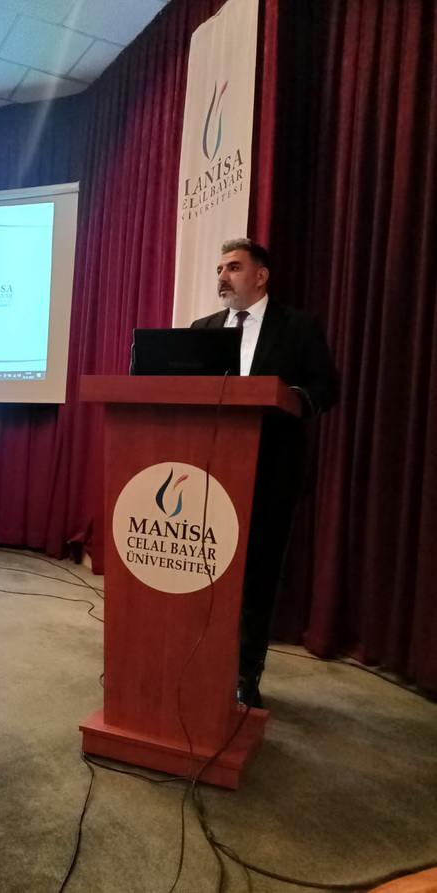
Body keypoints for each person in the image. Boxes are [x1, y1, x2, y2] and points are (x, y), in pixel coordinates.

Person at [191, 238, 339, 707]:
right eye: (219, 269)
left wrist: (290, 398)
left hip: (272, 471)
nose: (222, 277)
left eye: (234, 267)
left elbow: (325, 387)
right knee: (205, 570)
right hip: (209, 471)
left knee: (258, 575)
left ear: (261, 275)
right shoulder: (203, 329)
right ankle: (199, 660)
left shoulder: (298, 327)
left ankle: (245, 672)